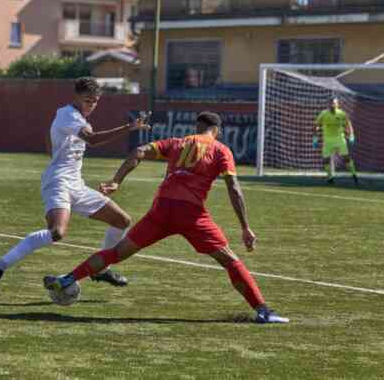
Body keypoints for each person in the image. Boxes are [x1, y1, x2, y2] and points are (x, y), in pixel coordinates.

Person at [44, 111, 289, 324]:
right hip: (191, 214)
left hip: (161, 210)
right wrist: (245, 227)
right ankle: (263, 311)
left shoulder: (177, 142)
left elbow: (139, 151)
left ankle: (66, 279)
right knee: (229, 260)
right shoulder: (221, 150)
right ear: (217, 131)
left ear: (197, 128)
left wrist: (116, 181)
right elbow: (233, 187)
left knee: (118, 252)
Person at [0, 77, 151, 294]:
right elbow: (92, 140)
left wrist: (55, 152)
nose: (91, 105)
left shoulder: (75, 117)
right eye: (87, 100)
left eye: (95, 101)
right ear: (76, 97)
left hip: (76, 184)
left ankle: (101, 269)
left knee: (122, 221)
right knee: (57, 232)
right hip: (59, 182)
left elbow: (50, 137)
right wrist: (129, 127)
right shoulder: (68, 115)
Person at [313, 97, 358, 185]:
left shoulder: (341, 113)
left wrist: (351, 135)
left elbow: (348, 124)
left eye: (334, 103)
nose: (332, 105)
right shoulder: (323, 114)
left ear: (337, 104)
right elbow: (316, 125)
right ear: (328, 105)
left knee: (346, 158)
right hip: (328, 140)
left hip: (340, 139)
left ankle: (354, 175)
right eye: (330, 103)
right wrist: (315, 138)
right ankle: (330, 178)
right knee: (326, 159)